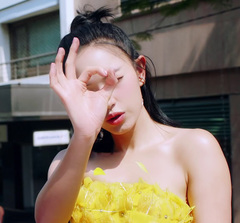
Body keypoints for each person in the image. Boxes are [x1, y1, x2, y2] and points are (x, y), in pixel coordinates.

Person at [34, 7, 231, 223]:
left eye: (115, 80)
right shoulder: (67, 163)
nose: (107, 101)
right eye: (89, 90)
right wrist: (84, 135)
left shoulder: (195, 148)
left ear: (140, 71)